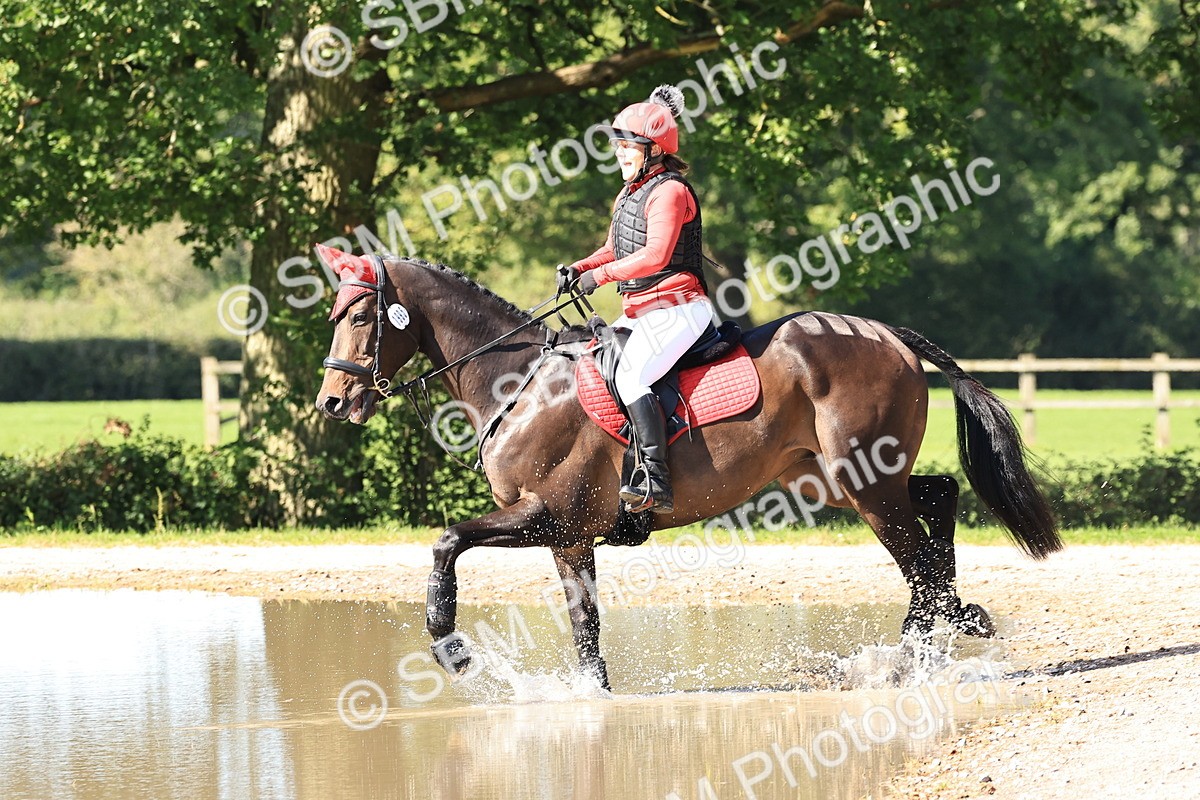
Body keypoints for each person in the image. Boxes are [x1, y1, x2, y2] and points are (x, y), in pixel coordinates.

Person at [558, 84, 717, 514]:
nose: (620, 154)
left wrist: (600, 277)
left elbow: (655, 255)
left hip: (680, 310)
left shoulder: (671, 191)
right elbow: (615, 248)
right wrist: (580, 268)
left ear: (653, 150)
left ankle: (656, 481)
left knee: (630, 378)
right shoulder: (629, 194)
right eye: (618, 146)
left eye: (628, 146)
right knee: (596, 362)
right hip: (643, 313)